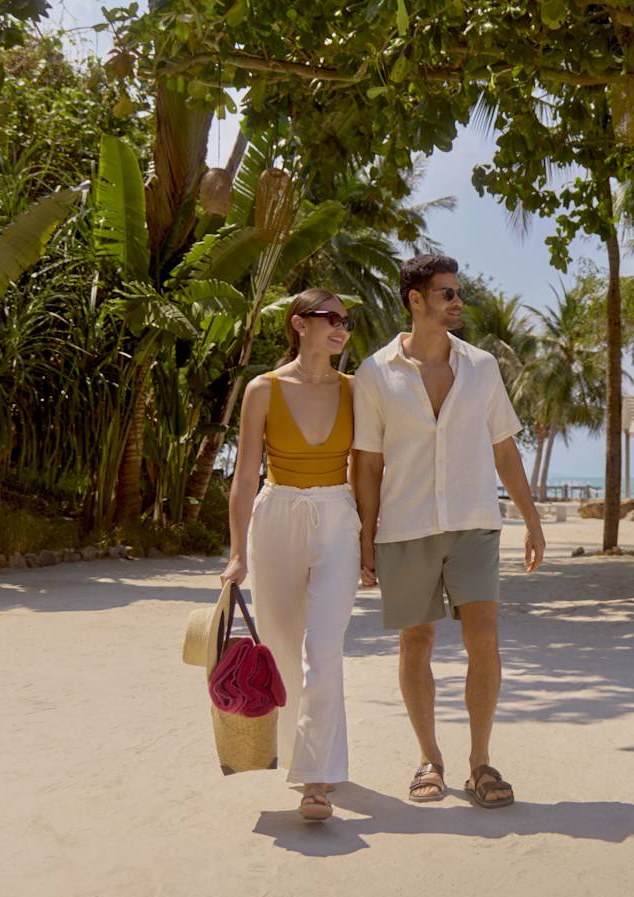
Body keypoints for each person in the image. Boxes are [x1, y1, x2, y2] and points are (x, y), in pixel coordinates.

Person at [353, 254, 545, 809]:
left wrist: (531, 520)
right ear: (415, 300)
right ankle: (429, 758)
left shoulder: (482, 367)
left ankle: (480, 762)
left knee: (483, 641)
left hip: (475, 524)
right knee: (417, 642)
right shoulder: (375, 372)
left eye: (458, 293)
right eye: (446, 294)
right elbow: (366, 462)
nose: (458, 302)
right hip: (406, 526)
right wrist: (366, 537)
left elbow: (503, 448)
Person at [220, 288, 360, 823]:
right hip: (275, 515)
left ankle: (315, 779)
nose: (341, 327)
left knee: (324, 647)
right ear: (300, 324)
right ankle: (309, 754)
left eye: (346, 321)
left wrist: (369, 545)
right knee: (280, 646)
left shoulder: (355, 390)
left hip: (337, 516)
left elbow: (369, 471)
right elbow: (245, 475)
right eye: (331, 319)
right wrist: (237, 555)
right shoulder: (263, 389)